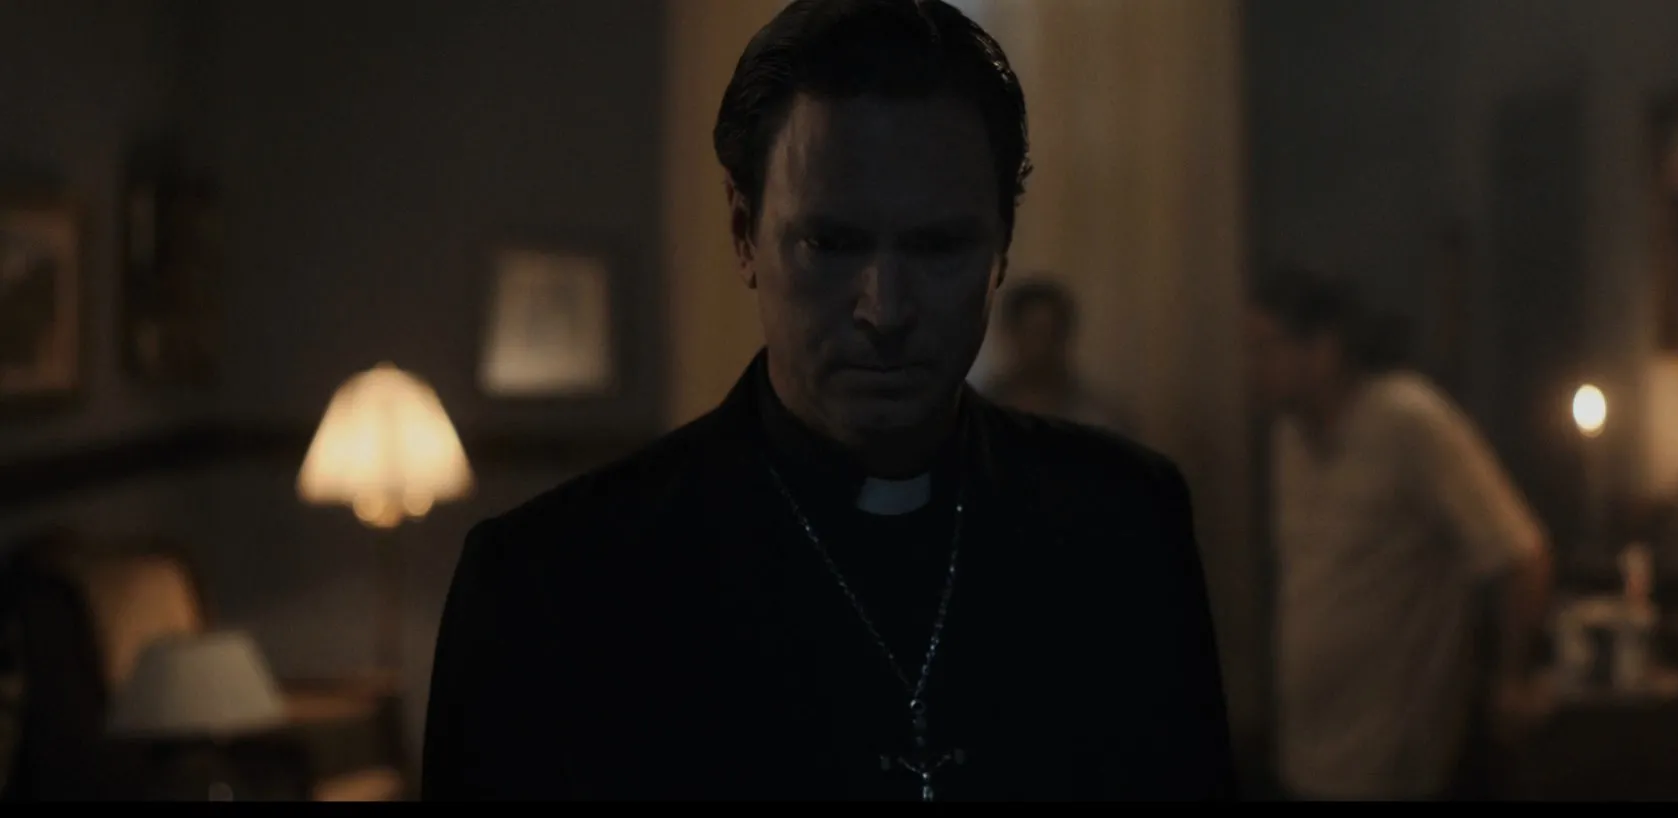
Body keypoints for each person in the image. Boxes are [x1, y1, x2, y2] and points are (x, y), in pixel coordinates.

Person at [422, 0, 1235, 801]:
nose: (885, 308)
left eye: (939, 245)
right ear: (744, 233)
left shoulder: (1123, 525)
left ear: (1002, 249)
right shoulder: (552, 583)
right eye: (830, 243)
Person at [1245, 269, 1553, 801]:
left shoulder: (1408, 421)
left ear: (1323, 351)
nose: (1251, 367)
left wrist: (1511, 679)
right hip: (1307, 748)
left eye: (1264, 348)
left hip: (1391, 756)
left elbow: (1520, 553)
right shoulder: (1289, 434)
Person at [981, 278, 1125, 431]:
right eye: (1034, 333)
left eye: (1052, 333)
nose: (1042, 345)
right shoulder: (982, 412)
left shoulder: (1097, 418)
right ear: (1011, 334)